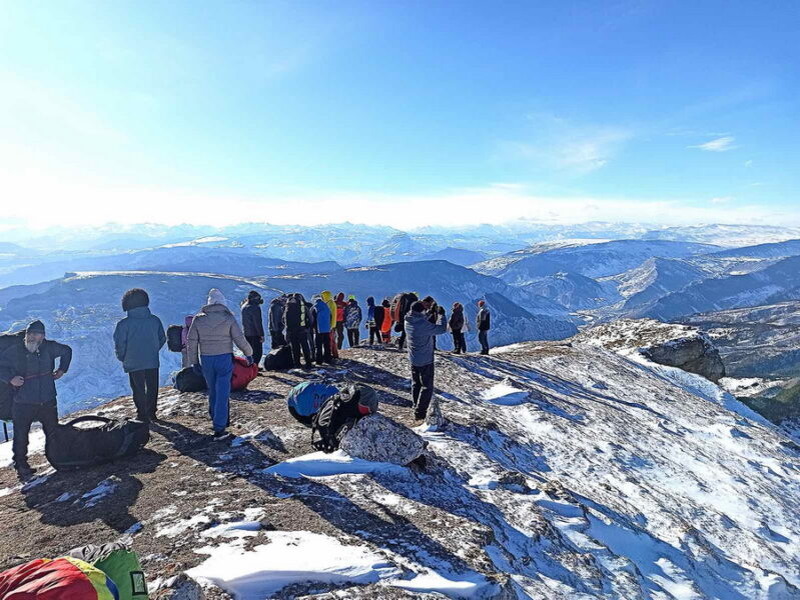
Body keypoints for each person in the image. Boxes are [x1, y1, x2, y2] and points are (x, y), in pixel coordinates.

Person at [0, 320, 71, 480]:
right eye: (30, 334)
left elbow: (67, 351)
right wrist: (10, 378)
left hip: (47, 399)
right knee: (21, 434)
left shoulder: (49, 347)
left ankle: (57, 460)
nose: (32, 337)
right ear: (26, 335)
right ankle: (21, 465)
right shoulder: (14, 351)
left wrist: (62, 370)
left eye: (36, 334)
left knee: (52, 431)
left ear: (43, 337)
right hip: (23, 401)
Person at [187, 289, 253, 441]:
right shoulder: (228, 318)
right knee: (223, 392)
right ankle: (220, 427)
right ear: (223, 302)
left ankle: (216, 418)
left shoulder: (198, 319)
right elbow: (239, 338)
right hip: (224, 358)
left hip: (206, 359)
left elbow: (191, 343)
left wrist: (194, 362)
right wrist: (249, 353)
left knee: (213, 390)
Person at [113, 288, 167, 422]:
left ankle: (142, 415)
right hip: (152, 360)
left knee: (138, 389)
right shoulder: (155, 320)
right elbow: (162, 338)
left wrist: (123, 357)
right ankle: (152, 413)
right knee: (152, 387)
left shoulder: (123, 324)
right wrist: (153, 350)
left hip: (133, 361)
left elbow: (120, 344)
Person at [404, 301, 447, 421]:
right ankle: (420, 412)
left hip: (413, 358)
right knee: (427, 386)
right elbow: (442, 329)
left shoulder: (407, 320)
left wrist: (429, 312)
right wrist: (441, 315)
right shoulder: (422, 325)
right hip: (425, 360)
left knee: (416, 383)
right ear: (420, 311)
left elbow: (420, 320)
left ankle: (415, 405)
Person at [284, 292, 313, 369]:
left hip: (291, 330)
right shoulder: (303, 306)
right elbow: (310, 318)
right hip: (301, 329)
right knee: (305, 346)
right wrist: (307, 326)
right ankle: (308, 363)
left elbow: (284, 319)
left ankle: (297, 363)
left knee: (295, 347)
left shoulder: (288, 306)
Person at [241, 291, 265, 370]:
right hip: (255, 333)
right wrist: (261, 334)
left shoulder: (244, 306)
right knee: (257, 352)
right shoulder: (255, 308)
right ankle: (255, 368)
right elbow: (257, 322)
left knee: (250, 352)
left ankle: (251, 367)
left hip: (247, 333)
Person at [313, 295, 333, 364]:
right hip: (327, 329)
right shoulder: (326, 306)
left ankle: (319, 360)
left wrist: (313, 327)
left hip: (318, 329)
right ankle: (328, 359)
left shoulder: (315, 307)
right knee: (327, 344)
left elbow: (313, 319)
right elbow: (330, 316)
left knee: (318, 345)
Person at [321, 290, 339, 359]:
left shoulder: (329, 304)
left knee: (330, 340)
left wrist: (331, 325)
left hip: (330, 325)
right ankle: (334, 353)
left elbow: (330, 315)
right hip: (332, 324)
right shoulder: (331, 303)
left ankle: (333, 354)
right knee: (332, 339)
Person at [306, 297, 318, 364]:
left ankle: (308, 356)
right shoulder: (310, 305)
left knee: (304, 343)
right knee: (311, 342)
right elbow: (313, 317)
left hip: (302, 328)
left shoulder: (298, 307)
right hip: (310, 327)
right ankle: (313, 355)